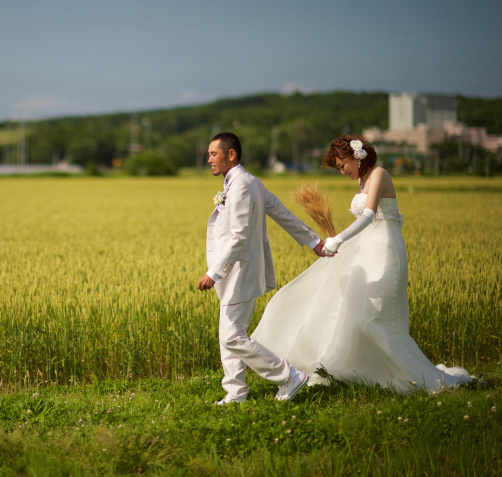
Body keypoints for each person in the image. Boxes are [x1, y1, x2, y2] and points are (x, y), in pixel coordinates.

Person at [251, 136, 472, 392]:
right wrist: (343, 244)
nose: (342, 171)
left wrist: (338, 239)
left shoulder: (379, 174)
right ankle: (364, 374)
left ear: (356, 156)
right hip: (365, 251)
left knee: (374, 318)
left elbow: (368, 215)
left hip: (385, 249)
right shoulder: (362, 180)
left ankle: (420, 378)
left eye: (342, 165)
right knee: (353, 314)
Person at [197, 132, 327, 404]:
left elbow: (238, 235)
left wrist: (213, 273)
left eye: (213, 153)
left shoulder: (242, 185)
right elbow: (281, 213)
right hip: (239, 272)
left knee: (232, 336)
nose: (208, 158)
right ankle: (236, 392)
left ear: (230, 154)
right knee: (230, 334)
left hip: (239, 272)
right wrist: (313, 241)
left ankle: (289, 376)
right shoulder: (250, 182)